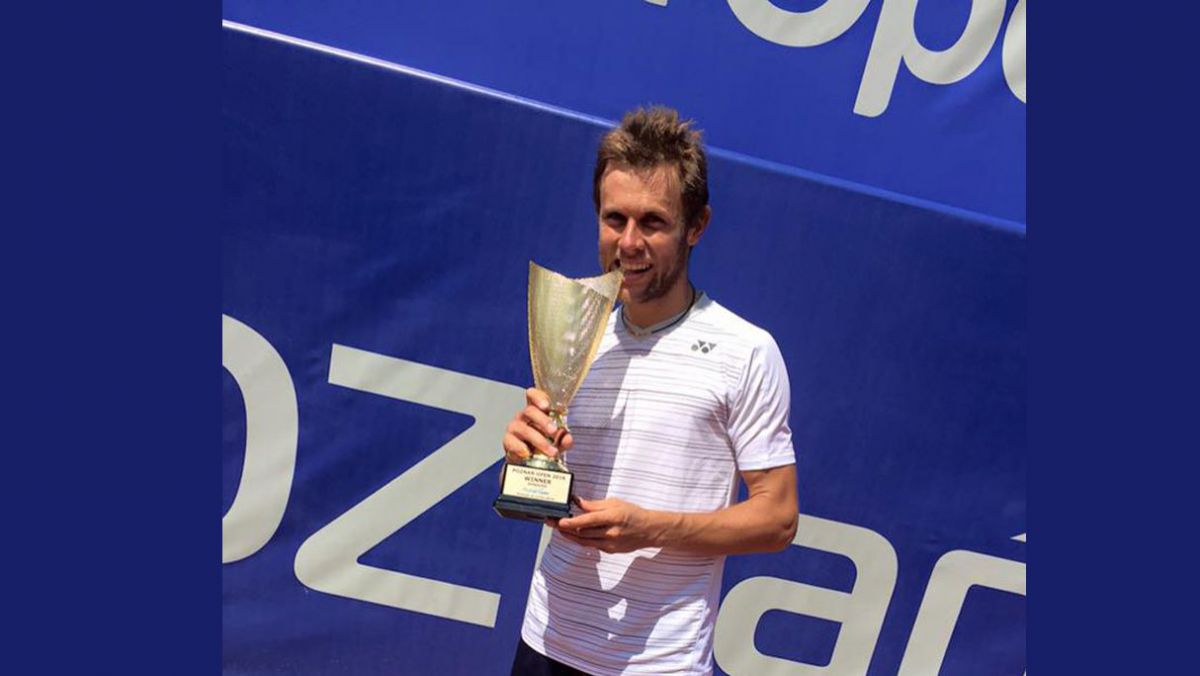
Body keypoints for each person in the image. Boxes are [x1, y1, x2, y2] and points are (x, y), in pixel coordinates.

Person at [502, 106, 798, 676]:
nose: (629, 243)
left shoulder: (747, 351)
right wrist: (521, 463)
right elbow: (533, 502)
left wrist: (652, 527)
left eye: (653, 222)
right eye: (614, 219)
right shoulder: (574, 338)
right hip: (544, 646)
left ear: (697, 226)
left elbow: (779, 518)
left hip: (660, 664)